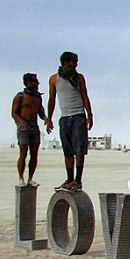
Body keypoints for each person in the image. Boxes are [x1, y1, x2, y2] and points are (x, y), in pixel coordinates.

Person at [46, 51, 93, 192]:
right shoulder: (54, 79)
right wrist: (49, 118)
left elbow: (85, 96)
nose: (76, 64)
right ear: (66, 62)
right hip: (64, 118)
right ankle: (69, 179)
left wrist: (89, 115)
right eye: (74, 61)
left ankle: (78, 181)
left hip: (78, 116)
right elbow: (52, 99)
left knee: (79, 150)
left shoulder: (79, 78)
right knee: (67, 151)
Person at [11, 73, 47, 186]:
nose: (37, 83)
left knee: (34, 153)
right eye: (34, 81)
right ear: (28, 82)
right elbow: (13, 113)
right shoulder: (20, 96)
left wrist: (46, 118)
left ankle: (30, 178)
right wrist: (21, 121)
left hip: (34, 125)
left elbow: (40, 111)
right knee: (23, 153)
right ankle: (21, 178)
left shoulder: (38, 97)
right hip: (24, 126)